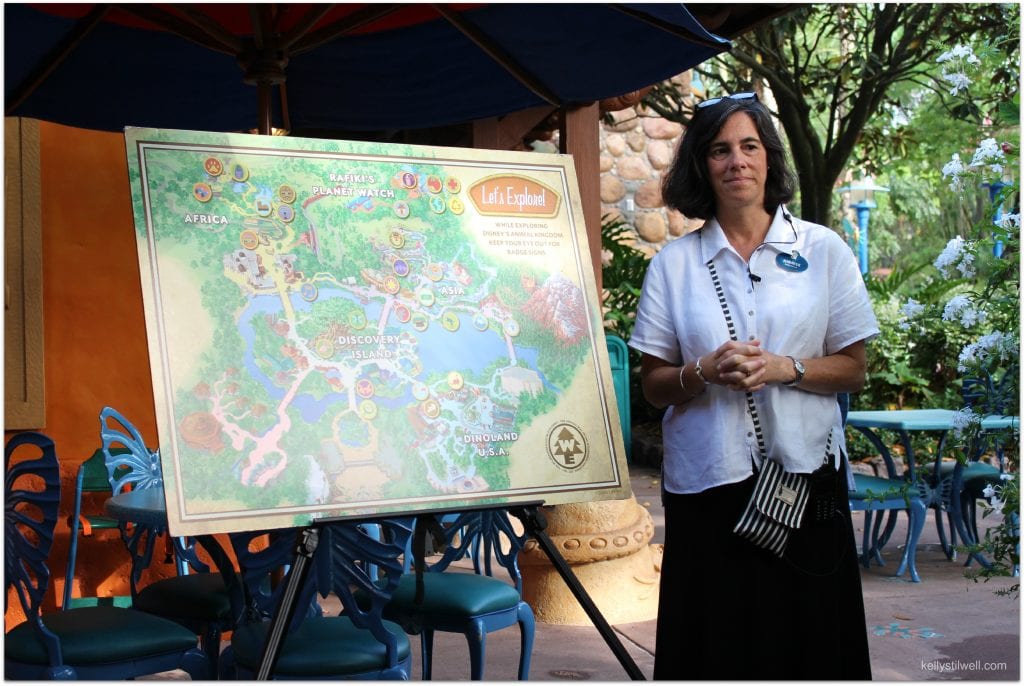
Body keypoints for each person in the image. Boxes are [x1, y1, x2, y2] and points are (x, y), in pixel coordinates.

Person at [628, 92, 877, 680]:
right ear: (702, 165)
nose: (736, 161)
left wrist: (787, 368)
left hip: (803, 482)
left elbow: (855, 367)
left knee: (809, 639)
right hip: (709, 484)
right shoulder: (674, 264)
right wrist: (703, 372)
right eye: (719, 149)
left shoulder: (823, 250)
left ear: (769, 158)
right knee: (716, 642)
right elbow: (655, 386)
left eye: (749, 146)